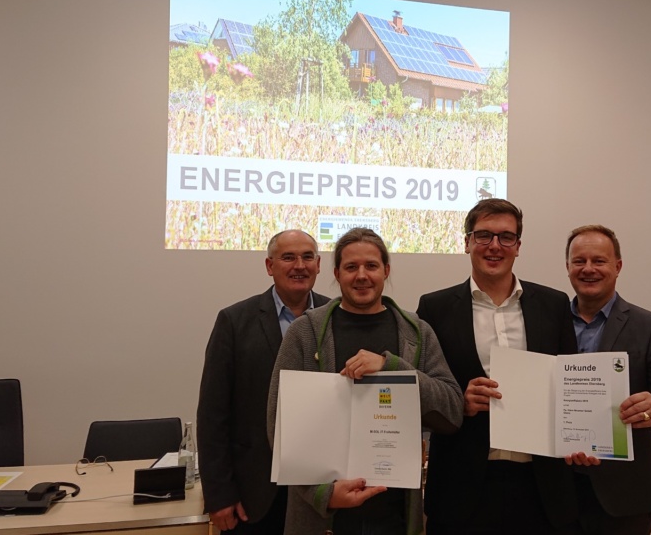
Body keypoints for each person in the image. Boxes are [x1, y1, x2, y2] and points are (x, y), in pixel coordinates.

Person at [267, 227, 463, 535]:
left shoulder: (417, 333)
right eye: (351, 267)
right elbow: (278, 426)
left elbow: (452, 411)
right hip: (322, 519)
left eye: (371, 265)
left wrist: (392, 367)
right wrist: (323, 494)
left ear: (386, 270)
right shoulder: (304, 332)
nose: (361, 275)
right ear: (336, 273)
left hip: (394, 519)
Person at [417, 199, 582, 535]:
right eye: (484, 235)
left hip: (542, 486)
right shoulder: (434, 307)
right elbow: (425, 391)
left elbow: (571, 383)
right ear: (467, 242)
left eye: (506, 237)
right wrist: (459, 402)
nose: (495, 246)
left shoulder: (553, 304)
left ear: (518, 246)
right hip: (461, 486)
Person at [565, 224, 651, 534]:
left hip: (624, 494)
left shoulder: (650, 327)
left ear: (618, 266)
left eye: (599, 261)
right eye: (579, 261)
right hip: (556, 491)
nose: (588, 269)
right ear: (568, 267)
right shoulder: (546, 321)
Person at [197, 230, 330, 534]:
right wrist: (219, 494)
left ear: (319, 264)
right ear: (270, 266)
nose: (299, 266)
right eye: (288, 257)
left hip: (321, 488)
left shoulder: (336, 316)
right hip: (253, 495)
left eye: (307, 257)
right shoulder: (234, 321)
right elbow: (213, 414)